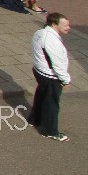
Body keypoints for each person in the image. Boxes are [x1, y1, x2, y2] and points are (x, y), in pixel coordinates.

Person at [28, 12, 72, 141]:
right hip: (50, 76)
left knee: (41, 95)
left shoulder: (40, 33)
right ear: (54, 24)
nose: (68, 28)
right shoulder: (51, 40)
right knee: (52, 103)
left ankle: (34, 119)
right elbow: (57, 63)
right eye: (65, 25)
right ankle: (50, 131)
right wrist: (65, 80)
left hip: (39, 70)